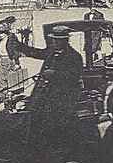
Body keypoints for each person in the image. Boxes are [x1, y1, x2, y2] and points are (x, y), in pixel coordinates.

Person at [15, 25, 85, 153]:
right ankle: (31, 150)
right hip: (44, 96)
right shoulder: (51, 52)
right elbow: (35, 52)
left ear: (65, 41)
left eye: (58, 40)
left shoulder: (74, 56)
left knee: (49, 125)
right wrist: (19, 45)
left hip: (62, 99)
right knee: (30, 117)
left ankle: (48, 152)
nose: (55, 42)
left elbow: (73, 77)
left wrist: (55, 74)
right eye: (54, 40)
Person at [0, 16, 24, 103]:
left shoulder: (11, 38)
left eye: (2, 32)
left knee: (5, 78)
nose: (0, 34)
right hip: (2, 59)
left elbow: (15, 50)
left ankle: (1, 96)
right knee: (0, 77)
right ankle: (1, 95)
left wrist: (16, 62)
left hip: (9, 59)